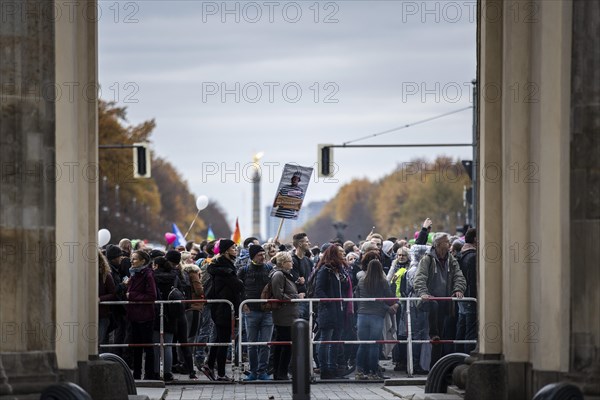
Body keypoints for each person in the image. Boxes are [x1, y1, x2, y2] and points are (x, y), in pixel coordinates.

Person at [413, 232, 466, 368]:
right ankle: (433, 334)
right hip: (428, 302)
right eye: (446, 242)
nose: (449, 244)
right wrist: (423, 293)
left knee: (440, 339)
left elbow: (459, 275)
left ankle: (435, 367)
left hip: (445, 302)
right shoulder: (427, 259)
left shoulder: (451, 259)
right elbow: (419, 278)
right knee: (433, 310)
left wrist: (458, 289)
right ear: (438, 244)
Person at [202, 239, 244, 381]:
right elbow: (238, 286)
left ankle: (208, 364)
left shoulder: (221, 265)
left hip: (222, 307)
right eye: (233, 247)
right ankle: (220, 373)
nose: (236, 249)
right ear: (226, 251)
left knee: (220, 339)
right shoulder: (225, 268)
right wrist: (237, 280)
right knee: (224, 341)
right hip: (223, 308)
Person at [354, 259, 399, 380]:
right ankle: (373, 373)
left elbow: (357, 296)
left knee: (363, 344)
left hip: (362, 315)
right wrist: (390, 307)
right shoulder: (382, 282)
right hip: (377, 316)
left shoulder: (362, 281)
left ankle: (359, 371)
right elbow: (389, 297)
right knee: (374, 345)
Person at [238, 245, 274, 381]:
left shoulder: (270, 269)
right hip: (251, 311)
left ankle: (262, 371)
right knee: (252, 344)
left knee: (266, 344)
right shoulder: (244, 270)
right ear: (253, 256)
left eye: (263, 254)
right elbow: (239, 289)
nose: (263, 257)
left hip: (267, 312)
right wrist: (243, 304)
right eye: (260, 254)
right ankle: (253, 371)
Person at [314, 245, 349, 379]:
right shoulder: (325, 270)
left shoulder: (340, 270)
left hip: (339, 310)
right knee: (326, 341)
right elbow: (319, 289)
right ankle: (324, 369)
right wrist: (329, 301)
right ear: (334, 254)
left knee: (336, 342)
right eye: (340, 252)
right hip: (328, 311)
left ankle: (332, 367)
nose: (343, 254)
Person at [270, 251, 304, 380]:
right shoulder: (279, 275)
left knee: (284, 343)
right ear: (283, 263)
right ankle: (281, 372)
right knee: (286, 344)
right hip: (284, 315)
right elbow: (278, 294)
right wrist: (294, 297)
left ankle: (279, 372)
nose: (292, 263)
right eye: (290, 261)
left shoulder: (285, 274)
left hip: (289, 313)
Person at [125, 250, 157, 380]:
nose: (131, 261)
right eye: (131, 259)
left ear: (143, 261)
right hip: (134, 315)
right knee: (136, 347)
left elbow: (152, 295)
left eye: (135, 259)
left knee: (147, 347)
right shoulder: (133, 273)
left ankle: (149, 375)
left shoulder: (148, 275)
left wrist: (132, 295)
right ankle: (136, 374)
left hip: (145, 316)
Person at [455, 228, 477, 354]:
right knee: (470, 331)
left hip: (463, 297)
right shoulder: (473, 257)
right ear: (475, 239)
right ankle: (466, 356)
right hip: (470, 298)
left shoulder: (462, 255)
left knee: (461, 328)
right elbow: (473, 280)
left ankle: (457, 357)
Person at [98, 249, 116, 350]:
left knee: (100, 341)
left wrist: (100, 299)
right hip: (88, 314)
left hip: (102, 314)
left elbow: (113, 294)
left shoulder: (106, 275)